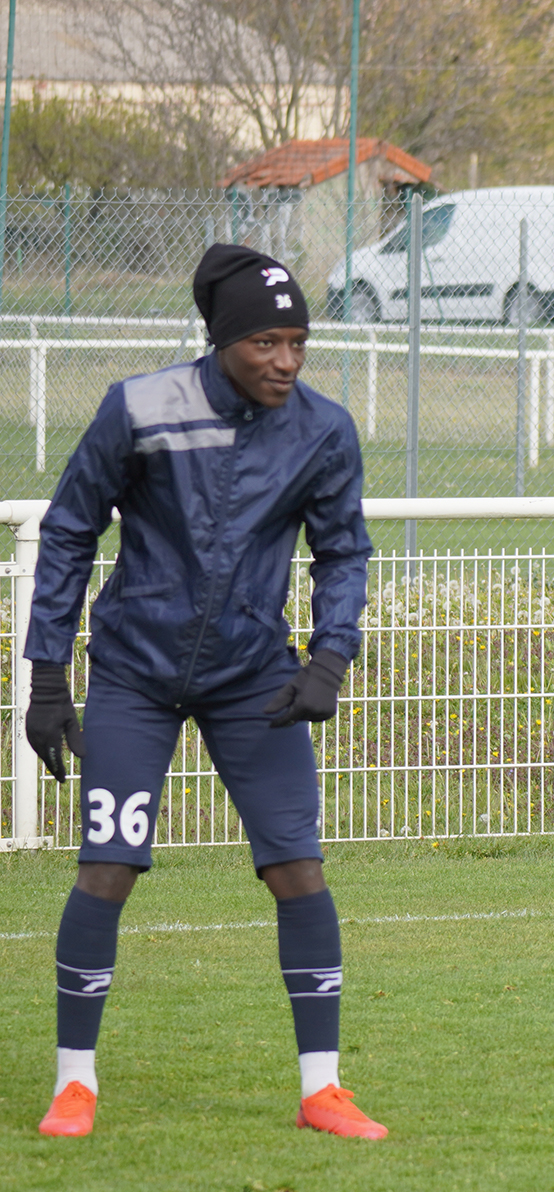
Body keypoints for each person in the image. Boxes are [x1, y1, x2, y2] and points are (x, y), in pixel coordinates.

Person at [26, 244, 384, 1140]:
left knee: (299, 868)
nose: (287, 361)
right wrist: (45, 676)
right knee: (107, 869)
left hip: (254, 678)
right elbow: (69, 532)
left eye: (299, 342)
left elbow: (344, 551)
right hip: (135, 676)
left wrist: (329, 659)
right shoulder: (139, 407)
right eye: (267, 341)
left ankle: (322, 1091)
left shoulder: (323, 429)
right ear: (223, 340)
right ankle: (75, 1085)